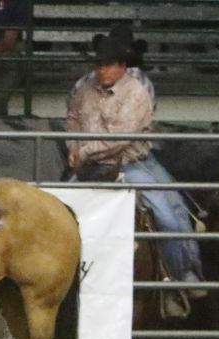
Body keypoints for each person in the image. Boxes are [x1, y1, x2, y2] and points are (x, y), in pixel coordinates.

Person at [65, 30, 204, 309]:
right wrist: (72, 146)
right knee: (52, 208)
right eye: (99, 64)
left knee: (168, 218)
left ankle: (178, 279)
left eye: (107, 64)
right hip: (89, 167)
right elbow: (73, 118)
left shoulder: (137, 92)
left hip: (130, 165)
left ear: (122, 65)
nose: (101, 69)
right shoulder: (85, 88)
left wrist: (82, 151)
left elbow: (119, 138)